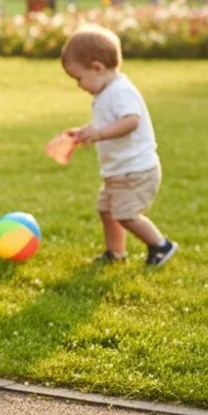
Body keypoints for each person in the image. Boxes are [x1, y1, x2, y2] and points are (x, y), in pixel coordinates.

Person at [59, 25, 177, 266]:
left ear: (97, 67)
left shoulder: (121, 91)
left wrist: (100, 134)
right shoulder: (105, 92)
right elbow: (107, 122)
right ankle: (116, 253)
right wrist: (85, 132)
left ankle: (160, 245)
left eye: (79, 78)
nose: (79, 85)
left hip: (136, 171)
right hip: (118, 171)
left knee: (125, 214)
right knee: (106, 210)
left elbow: (132, 121)